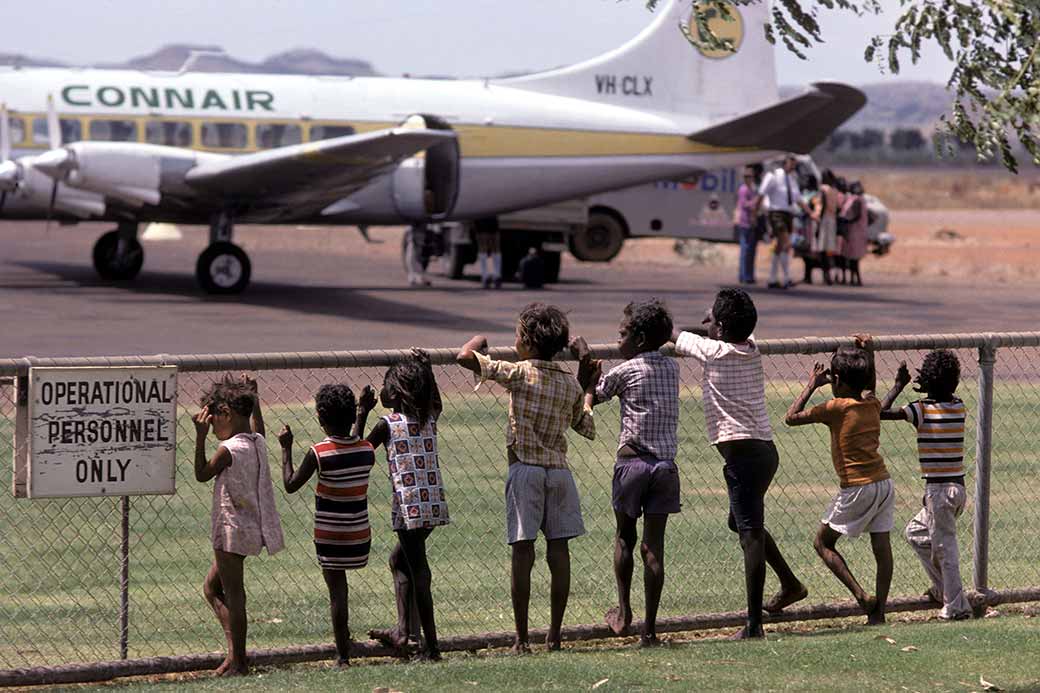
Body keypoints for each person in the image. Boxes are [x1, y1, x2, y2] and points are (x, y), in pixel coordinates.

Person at [456, 303, 597, 654]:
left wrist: (481, 338)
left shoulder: (518, 372)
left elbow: (465, 357)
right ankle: (555, 634)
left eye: (518, 334)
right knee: (559, 551)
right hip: (560, 472)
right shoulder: (569, 385)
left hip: (525, 469)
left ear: (528, 342)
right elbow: (585, 425)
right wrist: (587, 383)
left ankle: (521, 637)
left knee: (523, 551)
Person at [672, 289, 806, 639]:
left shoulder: (713, 351)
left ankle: (754, 624)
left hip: (745, 458)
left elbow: (674, 335)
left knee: (749, 535)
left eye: (714, 320)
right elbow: (723, 330)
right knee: (744, 525)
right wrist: (715, 317)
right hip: (763, 451)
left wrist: (707, 322)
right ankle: (790, 584)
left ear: (719, 328)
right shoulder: (751, 346)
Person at [571, 299, 680, 647]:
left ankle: (623, 611)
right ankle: (650, 630)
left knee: (624, 538)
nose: (618, 341)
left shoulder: (626, 370)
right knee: (654, 549)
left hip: (631, 464)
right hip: (665, 467)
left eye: (622, 335)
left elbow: (591, 398)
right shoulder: (672, 369)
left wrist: (586, 374)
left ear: (640, 338)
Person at [784, 336, 893, 625]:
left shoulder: (835, 407)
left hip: (857, 486)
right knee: (882, 549)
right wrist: (869, 351)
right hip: (884, 483)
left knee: (822, 543)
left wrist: (812, 383)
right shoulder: (871, 403)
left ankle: (861, 596)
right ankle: (879, 613)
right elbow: (868, 383)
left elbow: (791, 417)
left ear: (839, 380)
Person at [356, 348, 450, 660]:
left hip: (407, 508)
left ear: (394, 393)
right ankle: (404, 633)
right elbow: (435, 402)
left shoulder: (388, 423)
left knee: (419, 571)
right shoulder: (428, 418)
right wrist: (429, 369)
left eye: (385, 385)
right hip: (431, 506)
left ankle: (430, 646)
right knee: (400, 562)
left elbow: (358, 453)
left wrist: (362, 412)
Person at [278, 384, 375, 667]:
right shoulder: (366, 450)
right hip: (358, 536)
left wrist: (286, 448)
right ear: (350, 415)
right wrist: (364, 411)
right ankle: (345, 647)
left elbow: (290, 484)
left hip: (331, 536)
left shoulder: (319, 453)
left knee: (337, 592)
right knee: (340, 590)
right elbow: (354, 441)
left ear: (320, 416)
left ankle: (342, 654)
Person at [193, 375, 284, 676]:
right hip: (249, 528)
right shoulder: (256, 442)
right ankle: (234, 655)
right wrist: (255, 401)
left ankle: (240, 662)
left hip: (230, 531)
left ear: (227, 414)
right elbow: (258, 427)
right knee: (211, 588)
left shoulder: (228, 449)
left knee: (234, 593)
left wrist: (200, 436)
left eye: (213, 418)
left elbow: (202, 474)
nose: (212, 424)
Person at [879, 350, 973, 620]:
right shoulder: (959, 406)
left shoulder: (920, 410)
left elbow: (880, 413)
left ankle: (956, 608)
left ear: (926, 381)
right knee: (916, 532)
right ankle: (946, 590)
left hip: (939, 492)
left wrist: (898, 386)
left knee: (945, 550)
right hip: (957, 489)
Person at [754, 155, 812, 289]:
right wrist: (755, 213)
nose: (793, 166)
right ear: (785, 162)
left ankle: (772, 279)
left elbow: (798, 199)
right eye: (791, 163)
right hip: (776, 213)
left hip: (788, 214)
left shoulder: (792, 179)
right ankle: (786, 278)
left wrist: (811, 213)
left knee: (780, 246)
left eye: (795, 164)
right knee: (786, 243)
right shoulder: (773, 176)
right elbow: (761, 194)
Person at [812, 169, 843, 286]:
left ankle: (826, 274)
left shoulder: (823, 189)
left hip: (824, 220)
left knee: (822, 249)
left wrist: (818, 221)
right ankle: (830, 274)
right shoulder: (835, 191)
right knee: (829, 249)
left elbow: (821, 205)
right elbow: (839, 207)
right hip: (832, 220)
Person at [840, 181, 869, 286]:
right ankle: (853, 279)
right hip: (853, 231)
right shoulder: (853, 199)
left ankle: (856, 279)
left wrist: (845, 220)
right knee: (851, 257)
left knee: (854, 257)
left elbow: (855, 215)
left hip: (856, 231)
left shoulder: (857, 200)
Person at [735, 167, 759, 285]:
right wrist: (755, 201)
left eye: (750, 176)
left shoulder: (752, 189)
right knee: (745, 250)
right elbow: (744, 204)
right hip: (745, 222)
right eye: (746, 177)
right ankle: (744, 275)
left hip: (751, 222)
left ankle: (748, 275)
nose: (748, 179)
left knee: (751, 251)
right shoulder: (744, 189)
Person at [474, 217, 503, 289]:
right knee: (494, 246)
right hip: (490, 216)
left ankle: (486, 276)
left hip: (482, 216)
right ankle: (496, 276)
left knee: (484, 246)